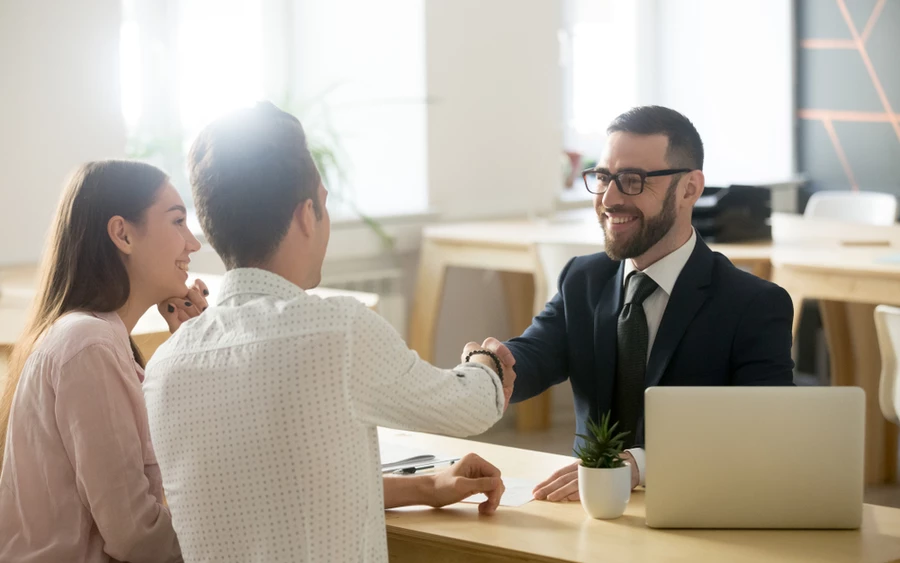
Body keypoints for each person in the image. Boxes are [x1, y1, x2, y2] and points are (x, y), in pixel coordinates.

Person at [142, 102, 516, 563]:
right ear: (306, 214)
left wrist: (426, 485)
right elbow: (472, 407)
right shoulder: (339, 331)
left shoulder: (163, 368)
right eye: (324, 203)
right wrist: (487, 363)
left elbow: (275, 492)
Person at [488, 105, 794, 502]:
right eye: (602, 178)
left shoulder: (754, 306)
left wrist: (639, 465)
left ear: (690, 189)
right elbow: (533, 355)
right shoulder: (583, 279)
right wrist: (489, 365)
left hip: (699, 509)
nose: (609, 198)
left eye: (633, 180)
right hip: (589, 509)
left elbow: (763, 431)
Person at [0, 160, 208, 562]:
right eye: (178, 221)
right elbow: (135, 536)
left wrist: (187, 356)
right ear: (122, 234)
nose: (192, 243)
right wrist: (228, 543)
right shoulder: (88, 344)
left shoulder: (97, 340)